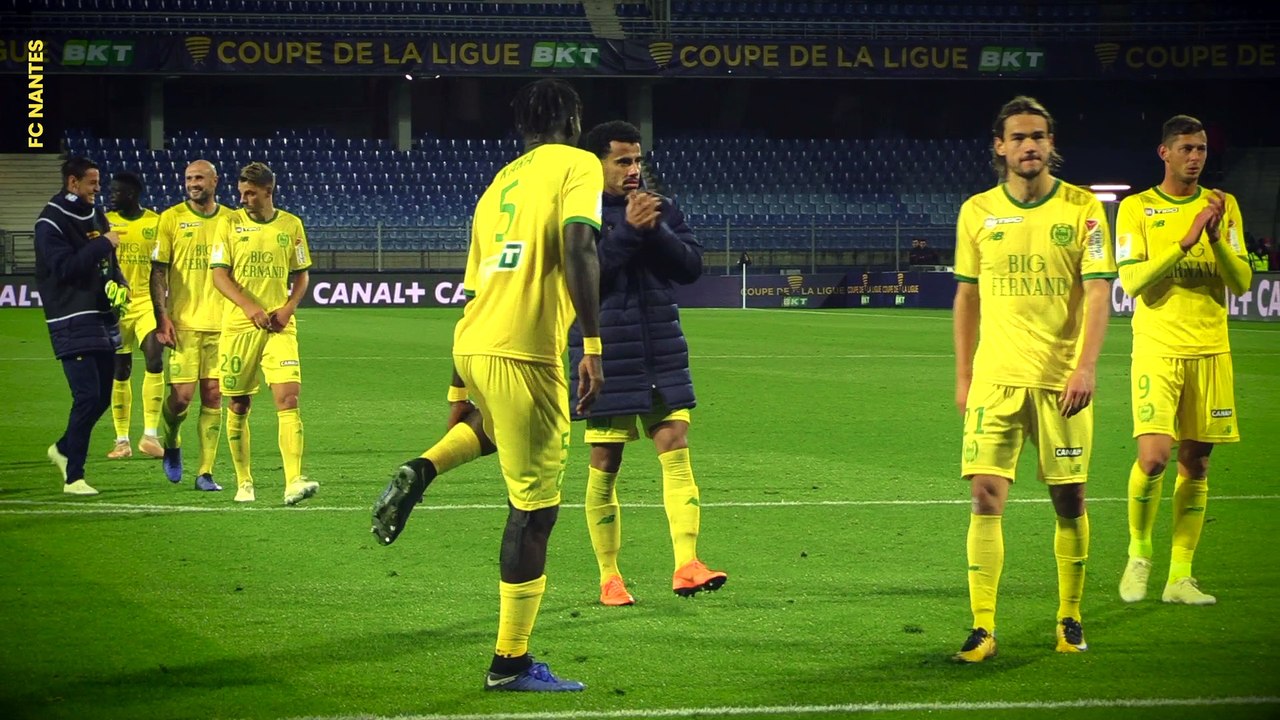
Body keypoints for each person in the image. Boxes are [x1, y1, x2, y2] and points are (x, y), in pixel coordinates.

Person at [371, 78, 603, 692]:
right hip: (526, 353)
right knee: (534, 512)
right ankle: (510, 663)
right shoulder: (577, 164)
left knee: (497, 427)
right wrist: (594, 347)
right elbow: (580, 246)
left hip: (472, 342)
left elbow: (470, 290)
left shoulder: (495, 185)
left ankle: (422, 469)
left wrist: (455, 394)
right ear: (573, 120)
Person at [951, 96, 1116, 663]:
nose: (1030, 146)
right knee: (984, 495)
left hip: (1058, 382)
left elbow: (1099, 292)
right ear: (999, 146)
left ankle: (1069, 616)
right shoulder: (976, 211)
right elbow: (966, 295)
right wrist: (965, 374)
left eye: (1039, 136)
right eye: (1019, 137)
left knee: (1069, 499)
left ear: (1051, 144)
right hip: (996, 381)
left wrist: (1086, 365)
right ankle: (981, 627)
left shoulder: (1084, 210)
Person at [568, 119, 726, 606]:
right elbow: (587, 280)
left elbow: (690, 268)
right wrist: (632, 233)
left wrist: (653, 226)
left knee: (675, 441)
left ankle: (687, 564)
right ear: (596, 162)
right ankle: (610, 576)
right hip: (605, 352)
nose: (634, 170)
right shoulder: (580, 214)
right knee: (606, 460)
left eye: (637, 160)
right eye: (622, 160)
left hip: (660, 349)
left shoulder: (661, 210)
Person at [1116, 115, 1252, 606]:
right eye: (1187, 148)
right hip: (1157, 346)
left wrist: (1215, 237)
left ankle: (1180, 577)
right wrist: (1186, 239)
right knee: (1153, 458)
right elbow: (1132, 281)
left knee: (1196, 464)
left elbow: (1241, 282)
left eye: (1202, 149)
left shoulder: (1224, 206)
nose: (1196, 157)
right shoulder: (1137, 208)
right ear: (1164, 153)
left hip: (1211, 350)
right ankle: (1138, 556)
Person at [210, 161, 316, 506]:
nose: (243, 199)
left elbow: (301, 275)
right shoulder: (228, 224)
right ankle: (244, 481)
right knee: (238, 402)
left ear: (268, 192)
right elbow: (219, 276)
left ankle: (293, 480)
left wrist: (287, 309)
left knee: (288, 398)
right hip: (240, 326)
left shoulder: (291, 224)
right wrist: (248, 307)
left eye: (250, 193)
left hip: (279, 326)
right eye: (241, 192)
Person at [35, 156, 129, 496]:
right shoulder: (50, 223)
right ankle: (73, 476)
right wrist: (103, 243)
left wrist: (119, 282)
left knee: (103, 395)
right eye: (92, 182)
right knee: (87, 395)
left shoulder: (93, 212)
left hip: (99, 318)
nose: (98, 187)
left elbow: (108, 258)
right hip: (70, 318)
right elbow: (64, 269)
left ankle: (62, 448)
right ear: (73, 183)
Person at [151, 159, 233, 491]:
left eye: (199, 177)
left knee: (213, 395)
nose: (193, 183)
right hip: (183, 323)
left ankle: (205, 472)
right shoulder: (171, 218)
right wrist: (162, 317)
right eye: (188, 178)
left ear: (215, 180)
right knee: (182, 399)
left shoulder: (232, 220)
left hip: (223, 324)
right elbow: (158, 271)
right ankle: (171, 441)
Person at [103, 172, 165, 460]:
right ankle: (121, 441)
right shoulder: (105, 222)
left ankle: (150, 435)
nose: (112, 194)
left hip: (147, 304)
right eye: (111, 190)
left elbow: (162, 267)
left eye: (118, 191)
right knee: (121, 370)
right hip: (116, 306)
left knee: (155, 358)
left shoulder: (155, 222)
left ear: (133, 193)